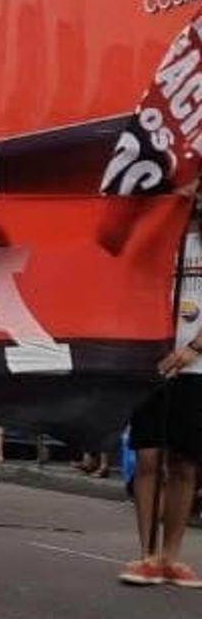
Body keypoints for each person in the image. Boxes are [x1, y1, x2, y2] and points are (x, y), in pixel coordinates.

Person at [119, 211, 202, 589]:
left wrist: (192, 349)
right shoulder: (156, 236)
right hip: (149, 362)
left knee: (184, 461)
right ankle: (147, 553)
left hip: (195, 368)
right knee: (149, 455)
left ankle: (172, 555)